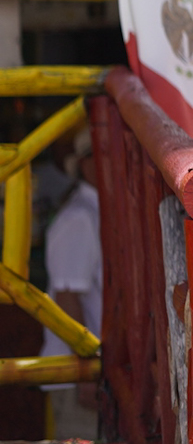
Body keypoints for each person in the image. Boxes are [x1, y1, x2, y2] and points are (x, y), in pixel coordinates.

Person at [41, 130, 102, 441]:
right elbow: (66, 298)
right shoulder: (80, 217)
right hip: (77, 373)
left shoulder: (92, 212)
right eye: (99, 154)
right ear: (84, 164)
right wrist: (87, 372)